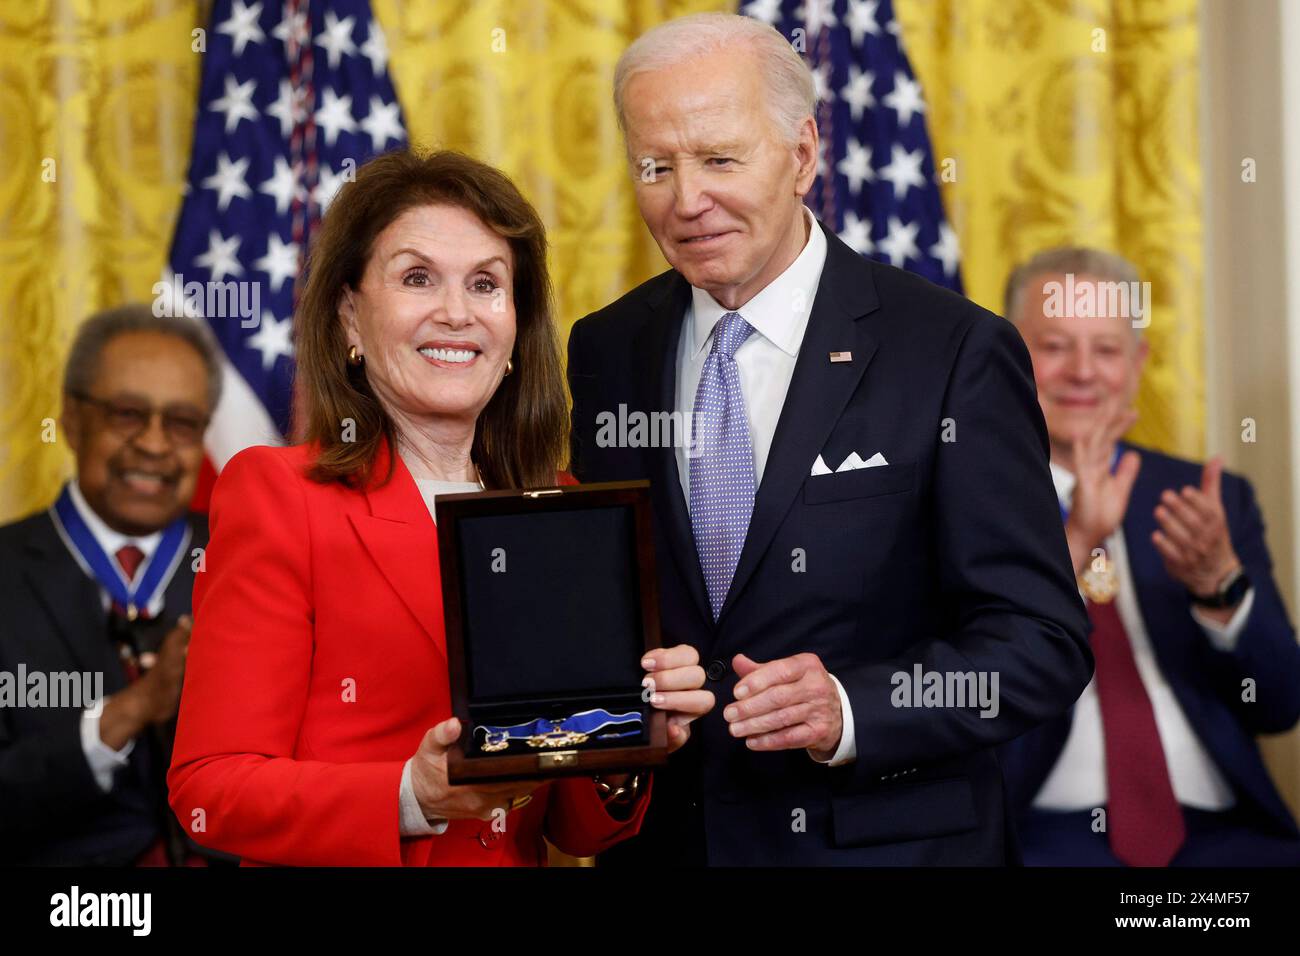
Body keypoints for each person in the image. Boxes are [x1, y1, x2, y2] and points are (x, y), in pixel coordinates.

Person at [567, 12, 1091, 865]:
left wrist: (854, 708)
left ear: (803, 153)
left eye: (720, 159)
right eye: (655, 166)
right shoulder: (606, 348)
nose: (686, 199)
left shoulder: (953, 351)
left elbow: (1040, 641)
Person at [167, 148, 712, 866]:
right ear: (350, 319)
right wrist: (408, 796)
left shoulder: (565, 514)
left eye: (486, 284)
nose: (456, 313)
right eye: (418, 278)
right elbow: (210, 791)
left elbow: (572, 830)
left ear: (517, 330)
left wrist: (625, 743)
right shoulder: (279, 496)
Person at [999, 246, 1300, 866]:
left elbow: (1278, 704)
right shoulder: (958, 497)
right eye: (1055, 346)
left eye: (1106, 350)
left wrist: (1220, 587)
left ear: (1137, 366)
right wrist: (1076, 542)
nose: (1083, 372)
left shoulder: (1205, 501)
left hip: (1223, 837)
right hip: (1038, 836)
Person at [0, 304, 223, 865]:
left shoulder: (244, 561)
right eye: (127, 414)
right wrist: (129, 712)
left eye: (181, 423)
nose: (153, 445)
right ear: (72, 420)